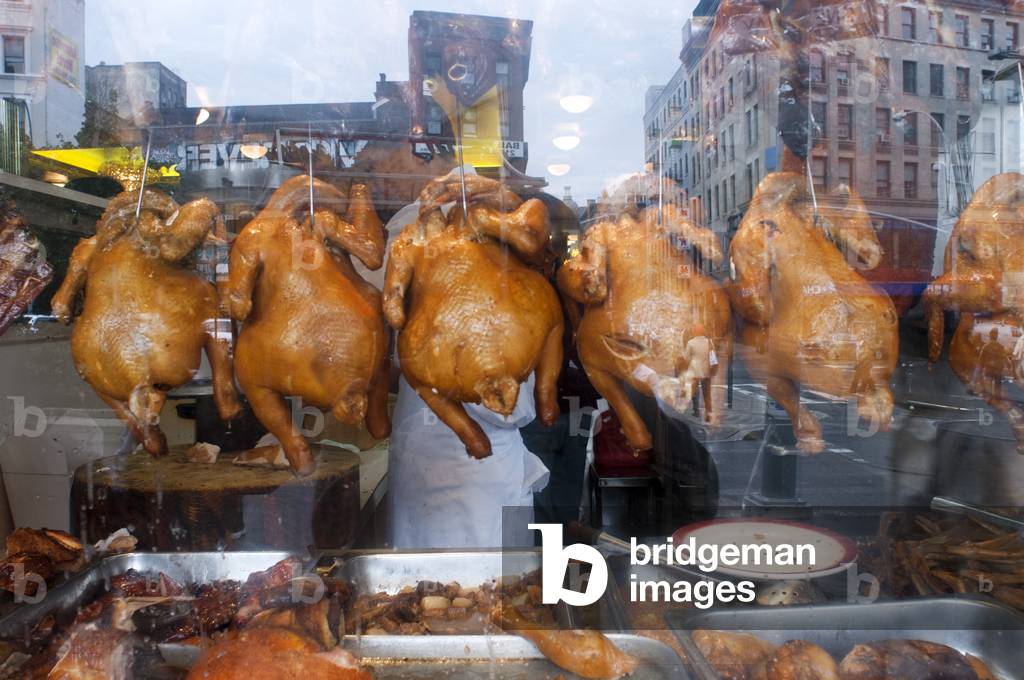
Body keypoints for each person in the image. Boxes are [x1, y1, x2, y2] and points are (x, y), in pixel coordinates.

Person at [382, 167, 549, 549]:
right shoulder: (422, 236)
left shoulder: (415, 239)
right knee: (493, 591)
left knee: (425, 588)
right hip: (467, 461)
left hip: (446, 458)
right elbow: (516, 408)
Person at [682, 322, 715, 423]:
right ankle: (708, 415)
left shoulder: (690, 343)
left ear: (694, 332)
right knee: (707, 394)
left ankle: (696, 410)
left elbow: (686, 358)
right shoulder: (709, 341)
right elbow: (713, 354)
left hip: (695, 372)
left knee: (694, 392)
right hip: (706, 372)